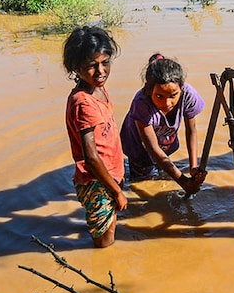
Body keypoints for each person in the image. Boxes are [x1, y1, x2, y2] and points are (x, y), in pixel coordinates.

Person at [63, 26, 127, 248]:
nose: (101, 71)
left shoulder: (97, 89)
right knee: (104, 244)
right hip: (97, 182)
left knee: (110, 226)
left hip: (107, 178)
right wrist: (117, 191)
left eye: (105, 62)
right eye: (92, 65)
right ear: (76, 68)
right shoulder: (83, 103)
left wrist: (118, 175)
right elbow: (91, 158)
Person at [120, 53, 206, 194]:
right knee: (142, 181)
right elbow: (152, 148)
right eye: (159, 96)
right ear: (149, 91)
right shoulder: (141, 103)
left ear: (181, 89)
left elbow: (191, 131)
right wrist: (183, 182)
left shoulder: (188, 94)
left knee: (163, 173)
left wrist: (193, 167)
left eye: (173, 96)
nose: (167, 103)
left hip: (164, 142)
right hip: (138, 147)